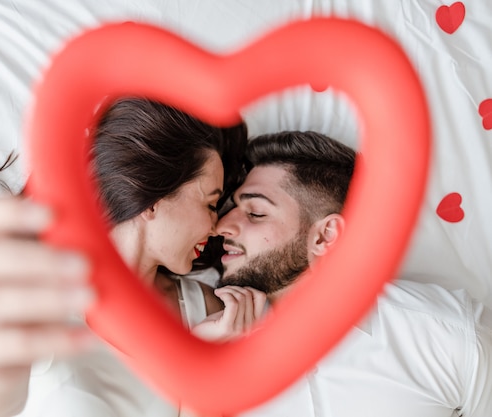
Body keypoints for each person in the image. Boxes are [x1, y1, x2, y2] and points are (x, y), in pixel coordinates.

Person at [0, 97, 265, 417]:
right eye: (210, 203)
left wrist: (199, 362)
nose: (216, 224)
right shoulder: (41, 294)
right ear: (153, 199)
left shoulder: (211, 314)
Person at [209, 130, 492, 417]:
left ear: (324, 237)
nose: (221, 226)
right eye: (231, 207)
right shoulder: (213, 354)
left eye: (255, 212)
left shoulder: (449, 338)